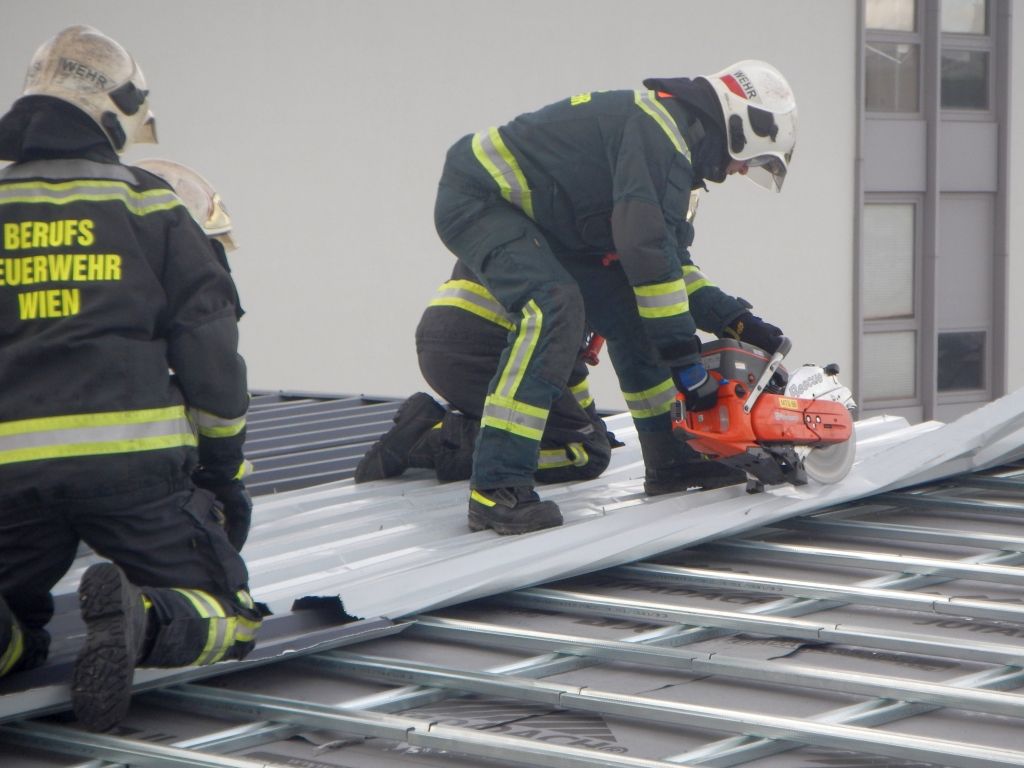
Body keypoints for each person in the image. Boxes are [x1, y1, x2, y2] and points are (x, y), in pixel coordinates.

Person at [0, 26, 261, 732]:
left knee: (12, 630)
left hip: (10, 482)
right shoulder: (149, 204)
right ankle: (143, 620)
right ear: (115, 111)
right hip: (134, 472)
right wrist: (222, 471)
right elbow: (209, 350)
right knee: (227, 615)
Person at [433, 60, 795, 535]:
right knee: (552, 307)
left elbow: (668, 263)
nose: (743, 169)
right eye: (752, 157)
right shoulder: (658, 136)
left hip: (554, 223)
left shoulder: (671, 151)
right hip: (480, 196)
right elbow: (646, 253)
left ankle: (673, 461)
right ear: (740, 127)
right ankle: (496, 486)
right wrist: (684, 358)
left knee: (633, 318)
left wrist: (736, 320)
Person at [355, 261, 619, 495]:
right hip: (486, 347)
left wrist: (589, 424)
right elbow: (566, 367)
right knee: (588, 454)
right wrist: (590, 429)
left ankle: (433, 427)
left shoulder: (557, 230)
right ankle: (431, 438)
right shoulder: (600, 266)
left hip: (442, 337)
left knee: (525, 424)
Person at [135, 158, 251, 550]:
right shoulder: (184, 275)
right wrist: (221, 472)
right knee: (208, 573)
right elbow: (215, 380)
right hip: (130, 478)